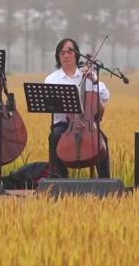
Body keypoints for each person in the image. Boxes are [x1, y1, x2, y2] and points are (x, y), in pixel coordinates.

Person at [45, 38, 111, 178]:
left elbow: (102, 105)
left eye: (70, 51)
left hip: (87, 124)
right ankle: (59, 180)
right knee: (55, 136)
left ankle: (106, 181)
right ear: (58, 56)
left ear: (76, 55)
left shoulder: (87, 76)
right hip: (64, 124)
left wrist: (94, 83)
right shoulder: (52, 79)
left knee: (102, 140)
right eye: (62, 53)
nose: (66, 55)